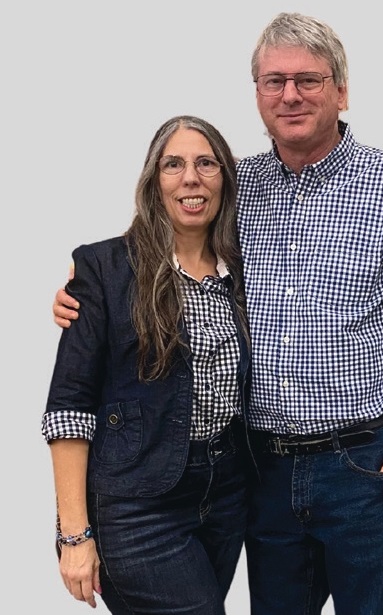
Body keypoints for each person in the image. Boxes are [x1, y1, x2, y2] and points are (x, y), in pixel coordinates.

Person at [52, 12, 383, 615]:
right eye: (274, 81)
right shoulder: (238, 185)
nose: (290, 95)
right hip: (261, 475)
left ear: (341, 91)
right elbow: (167, 244)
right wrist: (88, 289)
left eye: (308, 80)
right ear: (256, 94)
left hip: (364, 470)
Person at [43, 115, 252, 614]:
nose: (190, 178)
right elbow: (69, 408)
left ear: (225, 176)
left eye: (206, 164)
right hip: (137, 506)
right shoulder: (105, 268)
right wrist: (73, 535)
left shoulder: (245, 268)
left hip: (227, 494)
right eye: (173, 165)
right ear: (153, 180)